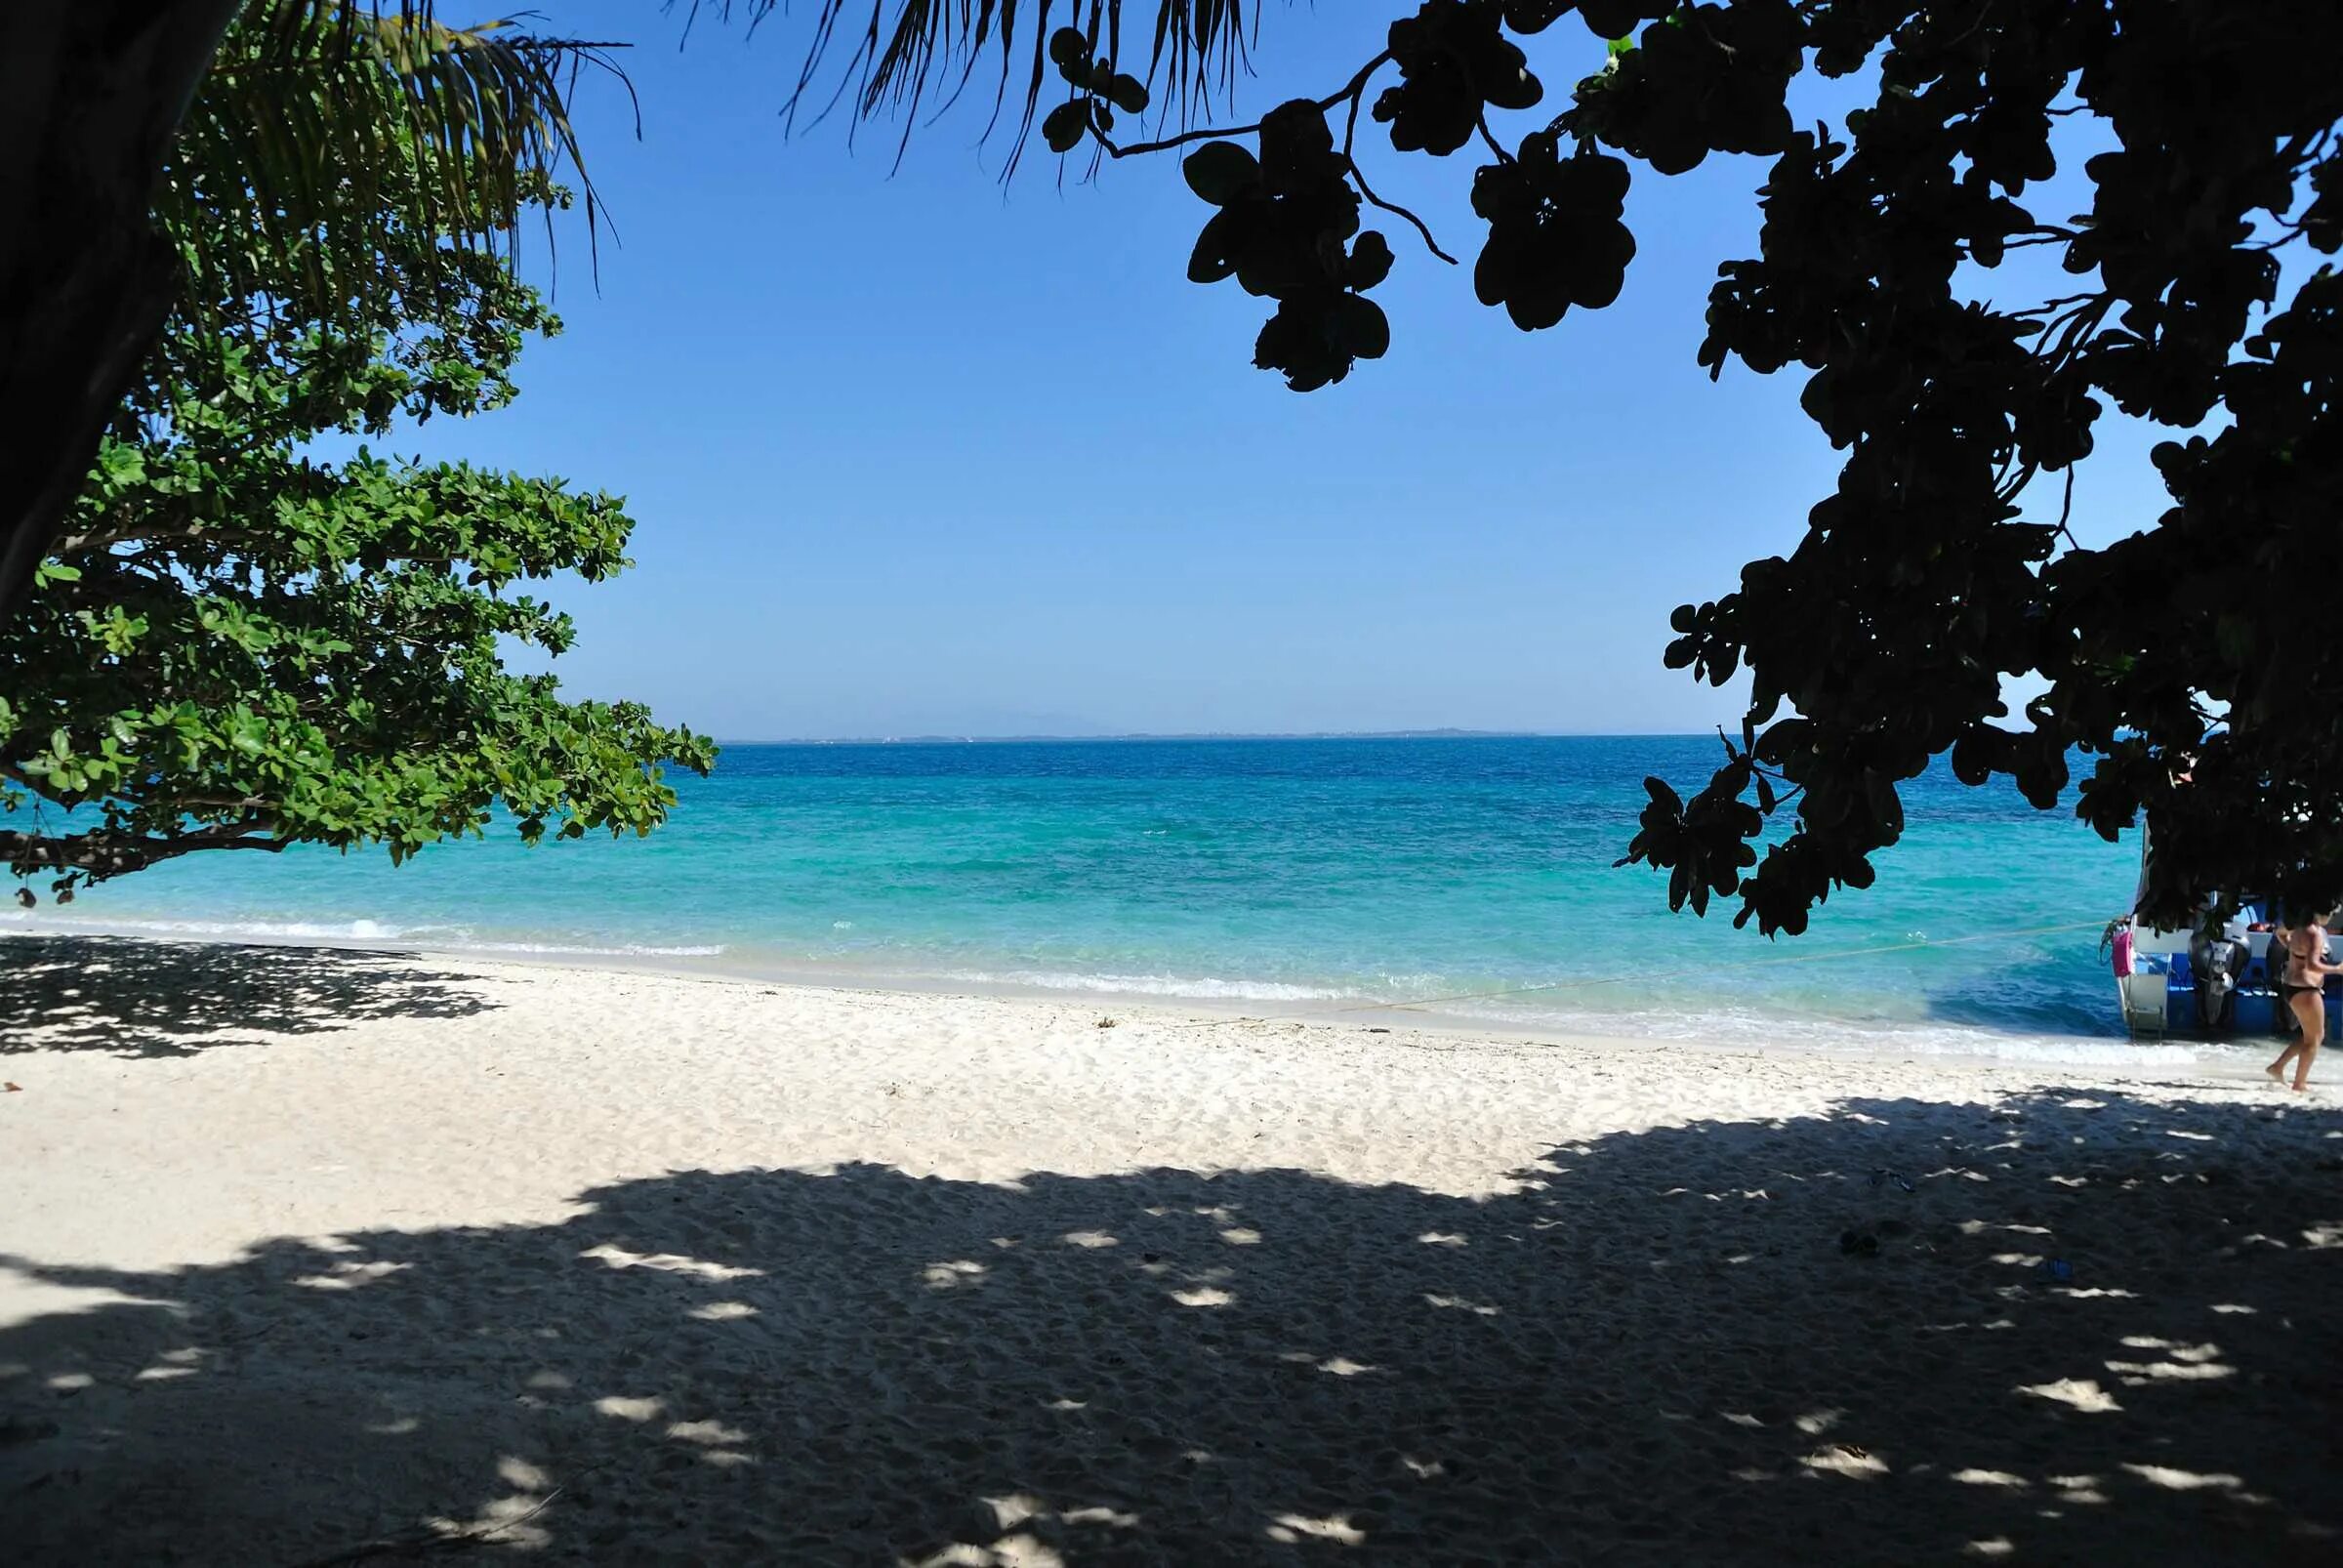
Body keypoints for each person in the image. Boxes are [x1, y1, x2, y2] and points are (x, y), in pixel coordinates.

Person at [2266, 914, 2338, 1091]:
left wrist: (2292, 947)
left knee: (2312, 1037)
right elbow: (2313, 965)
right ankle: (2299, 1083)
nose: (2331, 917)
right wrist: (2337, 969)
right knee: (2314, 1039)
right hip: (2306, 988)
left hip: (2292, 986)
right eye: (2331, 913)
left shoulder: (2296, 925)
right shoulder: (2314, 933)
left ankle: (2278, 1067)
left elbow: (2279, 933)